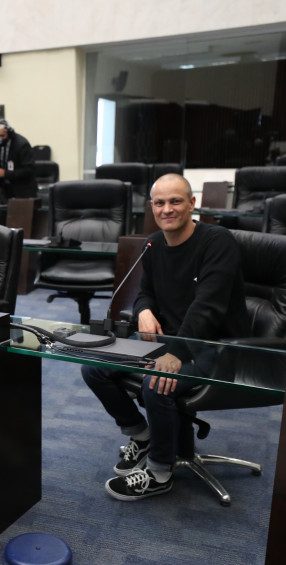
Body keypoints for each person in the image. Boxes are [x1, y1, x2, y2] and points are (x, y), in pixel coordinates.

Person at [81, 173, 251, 502]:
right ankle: (140, 434)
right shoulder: (155, 244)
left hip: (216, 349)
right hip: (169, 343)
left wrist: (174, 353)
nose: (167, 209)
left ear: (192, 204)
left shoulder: (217, 241)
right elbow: (146, 294)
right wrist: (144, 310)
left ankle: (160, 470)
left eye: (175, 201)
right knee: (94, 367)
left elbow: (208, 308)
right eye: (160, 203)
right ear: (152, 207)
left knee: (156, 382)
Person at [0, 118, 37, 199]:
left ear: (9, 132)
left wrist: (6, 173)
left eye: (2, 136)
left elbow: (28, 170)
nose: (0, 139)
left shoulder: (22, 144)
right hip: (6, 190)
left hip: (22, 191)